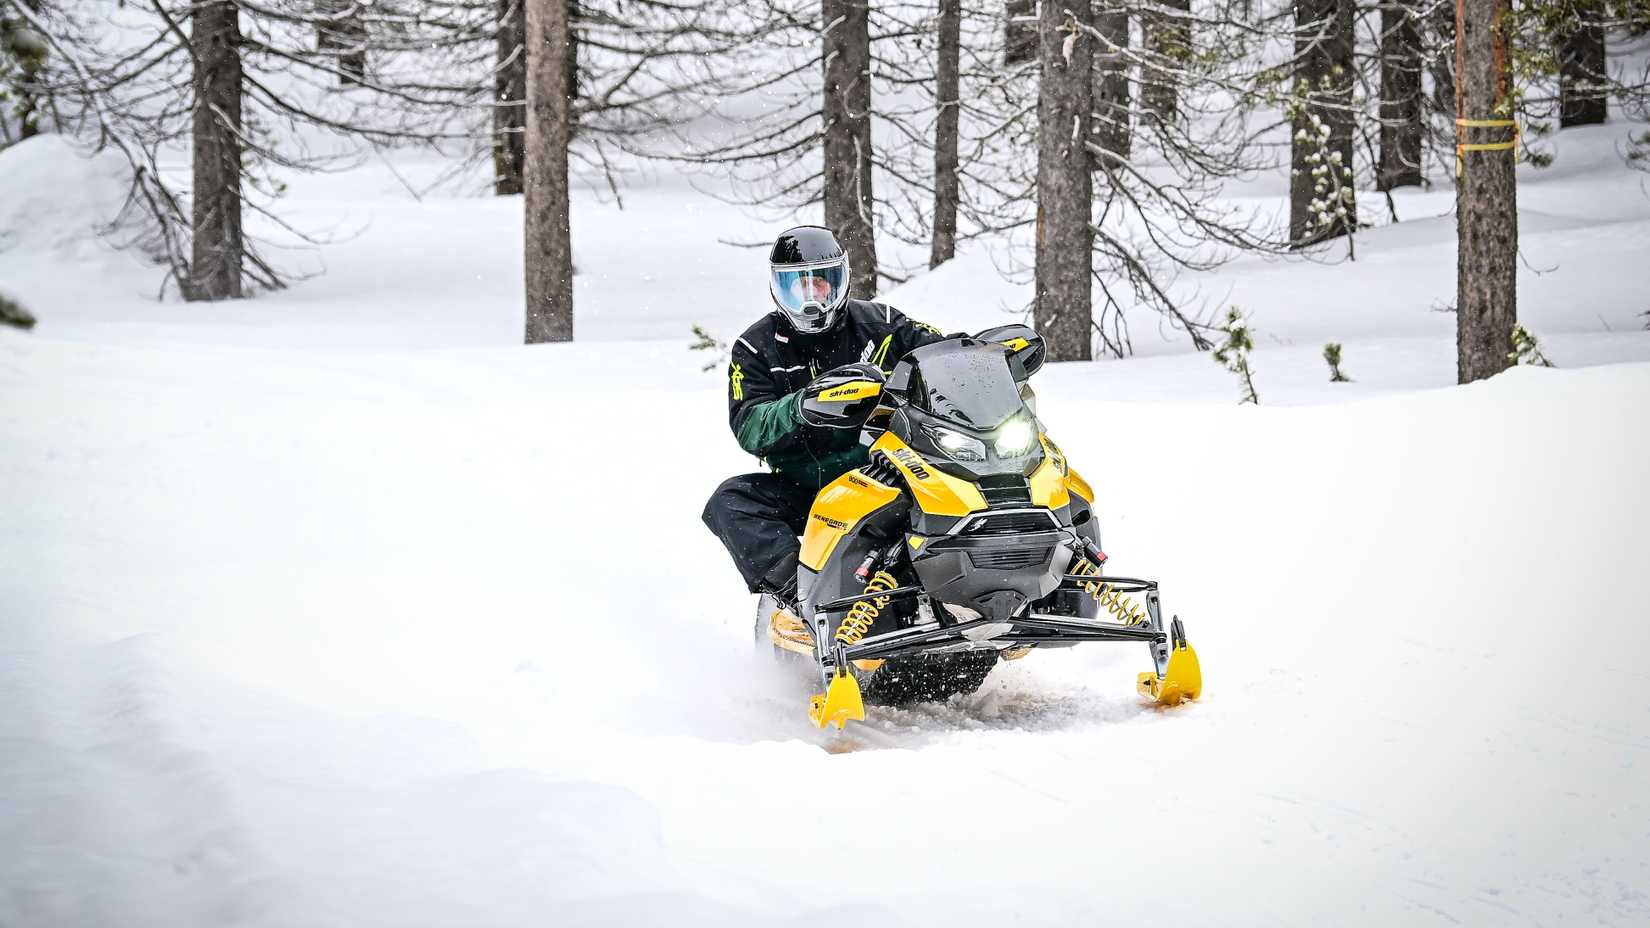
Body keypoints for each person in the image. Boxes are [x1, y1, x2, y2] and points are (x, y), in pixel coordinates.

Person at [701, 225, 949, 607]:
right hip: (810, 486)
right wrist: (800, 407)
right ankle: (799, 596)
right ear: (778, 289)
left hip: (889, 473)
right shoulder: (755, 347)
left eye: (821, 284)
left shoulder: (881, 323)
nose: (810, 297)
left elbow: (942, 352)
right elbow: (749, 425)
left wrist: (986, 352)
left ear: (840, 280)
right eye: (796, 286)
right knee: (730, 500)